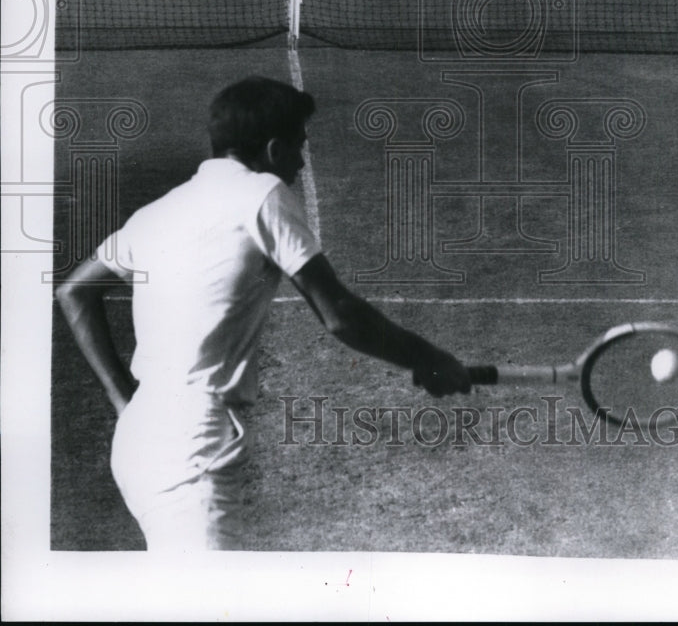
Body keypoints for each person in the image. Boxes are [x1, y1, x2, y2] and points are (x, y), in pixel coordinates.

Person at [55, 75, 472, 551]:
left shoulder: (157, 211)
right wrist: (428, 359)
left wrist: (121, 399)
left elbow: (74, 293)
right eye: (299, 147)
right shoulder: (262, 194)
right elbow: (339, 315)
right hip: (192, 446)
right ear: (274, 149)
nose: (300, 162)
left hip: (140, 438)